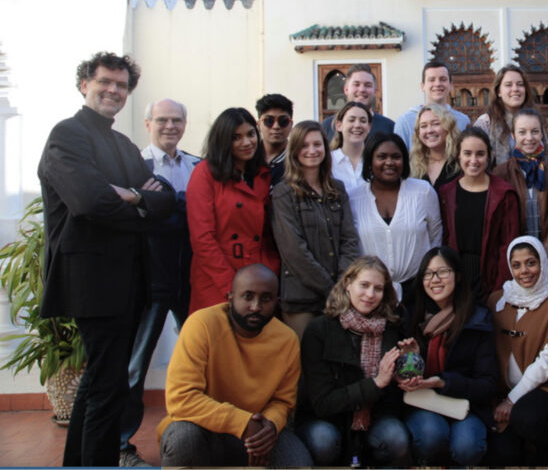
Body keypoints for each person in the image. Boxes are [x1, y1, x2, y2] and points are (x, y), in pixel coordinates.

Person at [38, 52, 175, 467]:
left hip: (129, 280)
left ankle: (77, 466)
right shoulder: (67, 135)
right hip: (92, 280)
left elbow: (165, 199)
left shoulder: (122, 144)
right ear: (84, 84)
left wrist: (132, 195)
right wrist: (141, 203)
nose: (113, 90)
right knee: (107, 385)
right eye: (104, 82)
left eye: (121, 85)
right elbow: (87, 201)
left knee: (104, 382)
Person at [157, 264, 312, 467]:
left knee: (298, 463)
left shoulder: (287, 339)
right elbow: (181, 398)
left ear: (277, 302)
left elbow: (283, 402)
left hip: (256, 431)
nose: (256, 306)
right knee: (183, 439)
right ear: (230, 298)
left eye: (265, 299)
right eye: (247, 296)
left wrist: (269, 426)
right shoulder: (201, 324)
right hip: (203, 430)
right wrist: (242, 423)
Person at [120, 98, 200, 467]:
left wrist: (163, 202)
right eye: (162, 119)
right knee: (136, 365)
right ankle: (121, 446)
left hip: (191, 278)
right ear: (148, 122)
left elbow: (195, 215)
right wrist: (174, 206)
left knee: (200, 360)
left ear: (185, 124)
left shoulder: (198, 166)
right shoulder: (134, 165)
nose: (170, 126)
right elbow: (137, 218)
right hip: (149, 279)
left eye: (176, 120)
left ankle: (199, 436)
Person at [298, 257, 411, 466]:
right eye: (364, 285)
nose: (370, 294)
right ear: (348, 284)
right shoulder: (319, 329)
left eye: (378, 289)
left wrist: (409, 366)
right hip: (328, 419)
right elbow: (321, 402)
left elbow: (395, 397)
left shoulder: (391, 328)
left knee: (396, 438)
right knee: (323, 441)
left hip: (375, 416)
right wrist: (375, 383)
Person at [400, 247, 499, 466]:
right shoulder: (411, 315)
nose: (434, 280)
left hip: (466, 404)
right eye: (427, 273)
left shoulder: (477, 319)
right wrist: (414, 362)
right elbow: (399, 379)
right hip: (423, 403)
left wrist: (444, 382)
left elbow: (488, 384)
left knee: (467, 446)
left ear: (458, 276)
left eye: (442, 272)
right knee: (431, 436)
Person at [486, 236, 548, 467]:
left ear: (543, 263)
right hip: (503, 393)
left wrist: (511, 401)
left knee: (527, 419)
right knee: (503, 454)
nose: (524, 271)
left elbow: (547, 363)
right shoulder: (497, 300)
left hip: (543, 390)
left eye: (531, 263)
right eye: (516, 265)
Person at [272, 120, 360, 339]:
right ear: (294, 151)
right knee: (305, 364)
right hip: (302, 298)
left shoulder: (337, 189)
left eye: (317, 144)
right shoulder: (284, 193)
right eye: (304, 145)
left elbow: (349, 240)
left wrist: (342, 285)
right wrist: (330, 288)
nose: (312, 150)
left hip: (339, 295)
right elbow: (294, 251)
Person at [186, 107, 279, 313]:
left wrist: (270, 268)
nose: (246, 143)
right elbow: (202, 238)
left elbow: (266, 235)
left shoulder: (261, 175)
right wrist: (230, 285)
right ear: (222, 140)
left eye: (250, 134)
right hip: (217, 278)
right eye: (235, 137)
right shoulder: (204, 173)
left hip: (257, 276)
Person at [348, 133, 442, 301]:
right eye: (381, 157)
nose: (389, 162)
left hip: (418, 291)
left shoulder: (423, 192)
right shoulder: (353, 198)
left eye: (396, 157)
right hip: (369, 295)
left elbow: (436, 238)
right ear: (370, 160)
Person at [438, 126, 519, 300]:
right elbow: (443, 238)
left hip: (490, 275)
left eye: (480, 154)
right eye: (467, 153)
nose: (473, 160)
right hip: (455, 275)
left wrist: (499, 289)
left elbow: (508, 244)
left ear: (488, 156)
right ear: (458, 155)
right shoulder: (446, 193)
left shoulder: (504, 194)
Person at [493, 108, 548, 261]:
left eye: (535, 131)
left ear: (542, 133)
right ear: (513, 135)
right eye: (522, 132)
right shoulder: (501, 173)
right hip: (516, 257)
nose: (529, 138)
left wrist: (544, 254)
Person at [474, 63, 547, 165]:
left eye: (520, 84)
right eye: (508, 85)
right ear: (498, 91)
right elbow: (476, 159)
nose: (515, 89)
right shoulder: (486, 122)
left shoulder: (533, 118)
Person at [394, 61, 470, 149]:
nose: (437, 84)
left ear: (451, 85)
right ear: (422, 86)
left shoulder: (462, 121)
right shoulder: (405, 122)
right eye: (431, 80)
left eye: (443, 79)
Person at [321, 63, 396, 142]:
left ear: (375, 91)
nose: (362, 89)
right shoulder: (327, 127)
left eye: (367, 85)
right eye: (356, 84)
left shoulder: (389, 127)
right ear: (346, 89)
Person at [409, 103, 461, 189]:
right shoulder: (412, 163)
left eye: (436, 124)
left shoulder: (460, 161)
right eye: (423, 126)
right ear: (418, 132)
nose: (429, 130)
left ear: (448, 127)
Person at [329, 101, 372, 194]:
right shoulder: (328, 161)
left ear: (369, 127)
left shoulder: (375, 160)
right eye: (351, 120)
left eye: (363, 121)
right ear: (338, 125)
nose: (357, 125)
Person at [256, 93, 293, 187]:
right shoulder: (248, 158)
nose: (276, 127)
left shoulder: (298, 159)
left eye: (283, 121)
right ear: (258, 124)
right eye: (269, 121)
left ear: (291, 124)